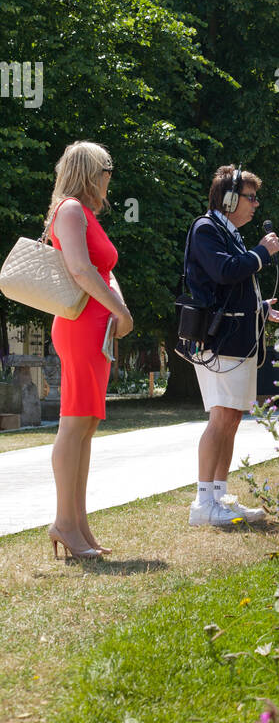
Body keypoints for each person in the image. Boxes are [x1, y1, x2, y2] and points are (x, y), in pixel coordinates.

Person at [184, 165, 279, 527]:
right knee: (221, 416)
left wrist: (261, 309)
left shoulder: (228, 232)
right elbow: (224, 271)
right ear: (229, 199)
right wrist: (261, 253)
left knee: (231, 417)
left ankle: (218, 494)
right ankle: (202, 504)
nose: (256, 205)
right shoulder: (206, 228)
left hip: (236, 336)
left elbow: (229, 288)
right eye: (250, 197)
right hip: (220, 341)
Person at [46, 141, 134, 559]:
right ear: (90, 170)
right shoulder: (71, 211)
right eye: (107, 167)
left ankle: (78, 524)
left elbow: (104, 270)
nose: (110, 176)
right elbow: (80, 270)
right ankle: (65, 523)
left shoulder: (86, 214)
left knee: (86, 427)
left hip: (96, 329)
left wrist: (119, 308)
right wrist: (119, 308)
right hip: (80, 327)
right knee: (74, 425)